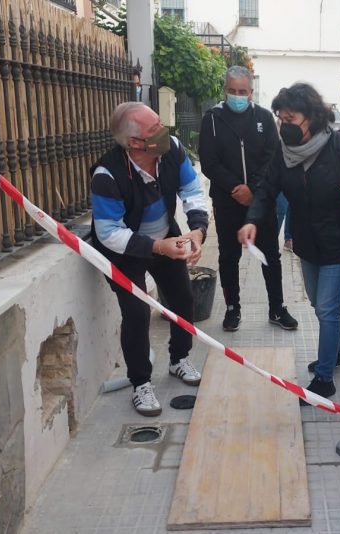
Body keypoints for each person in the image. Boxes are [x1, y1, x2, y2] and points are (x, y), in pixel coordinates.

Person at [238, 83, 340, 402]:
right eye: (280, 117)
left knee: (328, 310)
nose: (283, 124)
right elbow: (266, 188)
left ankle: (325, 378)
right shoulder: (283, 153)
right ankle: (338, 352)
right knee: (318, 304)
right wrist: (251, 220)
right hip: (306, 242)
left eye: (290, 118)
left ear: (312, 117)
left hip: (338, 244)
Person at [90, 102, 209, 417]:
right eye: (154, 129)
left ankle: (179, 359)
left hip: (165, 237)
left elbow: (192, 190)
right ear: (134, 143)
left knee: (183, 299)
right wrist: (159, 247)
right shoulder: (107, 174)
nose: (163, 132)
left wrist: (197, 231)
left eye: (160, 123)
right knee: (137, 312)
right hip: (125, 251)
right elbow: (108, 233)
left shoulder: (173, 151)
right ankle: (140, 383)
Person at [199, 66, 298, 332]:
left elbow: (272, 157)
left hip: (260, 200)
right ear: (225, 90)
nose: (237, 96)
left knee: (269, 255)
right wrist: (235, 188)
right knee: (228, 256)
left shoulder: (265, 118)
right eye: (232, 91)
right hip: (226, 199)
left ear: (251, 92)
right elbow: (209, 161)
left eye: (242, 91)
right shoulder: (212, 119)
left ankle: (277, 308)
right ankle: (233, 308)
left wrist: (253, 190)